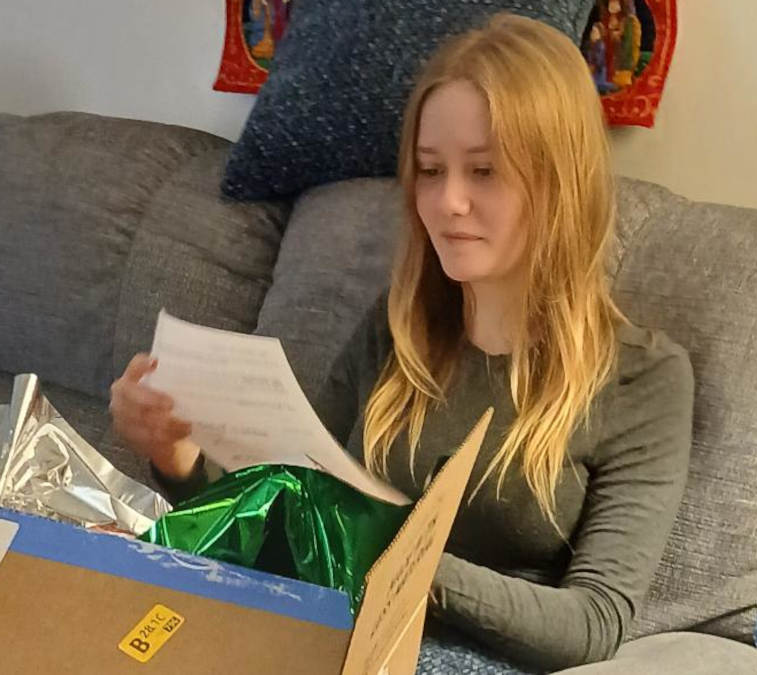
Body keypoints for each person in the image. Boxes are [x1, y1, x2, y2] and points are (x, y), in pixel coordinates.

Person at [109, 13, 693, 672]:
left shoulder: (642, 378)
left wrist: (404, 557)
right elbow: (299, 512)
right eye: (429, 170)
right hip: (335, 634)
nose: (448, 202)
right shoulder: (398, 330)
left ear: (562, 181)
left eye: (484, 171)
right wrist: (178, 458)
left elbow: (594, 622)